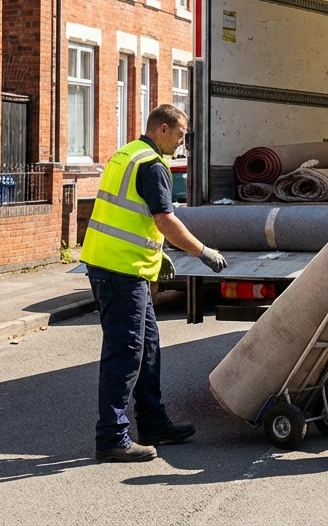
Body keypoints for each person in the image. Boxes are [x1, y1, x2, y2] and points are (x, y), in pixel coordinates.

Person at [81, 104, 229, 463]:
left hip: (115, 265)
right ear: (163, 129)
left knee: (147, 348)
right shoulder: (151, 164)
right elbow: (164, 220)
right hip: (122, 271)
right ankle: (112, 436)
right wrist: (203, 252)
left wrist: (156, 254)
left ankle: (152, 423)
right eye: (180, 134)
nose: (181, 142)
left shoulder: (126, 154)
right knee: (125, 353)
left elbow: (131, 216)